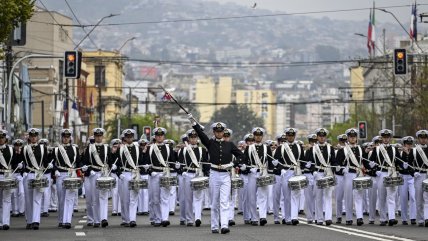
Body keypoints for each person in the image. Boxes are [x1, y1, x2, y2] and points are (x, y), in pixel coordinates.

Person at [188, 115, 243, 234]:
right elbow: (201, 135)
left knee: (224, 201)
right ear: (214, 132)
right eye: (217, 131)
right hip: (214, 174)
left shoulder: (230, 144)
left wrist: (234, 164)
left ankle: (224, 225)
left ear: (223, 132)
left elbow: (241, 155)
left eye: (221, 131)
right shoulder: (210, 143)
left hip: (225, 175)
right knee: (214, 202)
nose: (219, 133)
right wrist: (193, 123)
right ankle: (214, 225)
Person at [143, 127, 176, 227]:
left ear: (164, 136)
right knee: (155, 198)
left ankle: (165, 218)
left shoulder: (168, 148)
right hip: (155, 174)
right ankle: (157, 218)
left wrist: (176, 165)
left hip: (165, 174)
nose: (160, 137)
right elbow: (145, 162)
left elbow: (172, 161)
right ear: (155, 137)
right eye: (158, 135)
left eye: (161, 135)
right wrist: (149, 170)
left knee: (165, 197)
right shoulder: (150, 148)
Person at [368, 129, 400, 226]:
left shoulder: (394, 149)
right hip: (381, 173)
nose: (386, 139)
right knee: (382, 196)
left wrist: (398, 170)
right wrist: (374, 169)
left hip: (391, 173)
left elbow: (398, 162)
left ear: (390, 138)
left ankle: (391, 218)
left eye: (387, 137)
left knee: (391, 196)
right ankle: (382, 218)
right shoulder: (377, 149)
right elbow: (370, 163)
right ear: (382, 138)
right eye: (384, 137)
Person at [305, 128, 336, 226]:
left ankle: (328, 218)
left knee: (328, 196)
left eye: (323, 136)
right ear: (317, 137)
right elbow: (308, 162)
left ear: (325, 137)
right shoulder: (312, 148)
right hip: (317, 173)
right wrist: (313, 171)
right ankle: (319, 218)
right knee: (318, 196)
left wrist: (334, 171)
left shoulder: (330, 148)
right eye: (320, 136)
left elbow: (333, 161)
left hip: (328, 173)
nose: (322, 138)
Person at [273, 128, 304, 225]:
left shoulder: (299, 147)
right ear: (286, 136)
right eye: (289, 135)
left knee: (296, 194)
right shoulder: (281, 148)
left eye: (292, 135)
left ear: (294, 136)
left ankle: (294, 217)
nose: (290, 137)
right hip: (285, 172)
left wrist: (302, 169)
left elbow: (302, 160)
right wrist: (281, 168)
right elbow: (276, 161)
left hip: (296, 171)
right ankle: (287, 217)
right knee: (286, 196)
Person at [178, 129, 209, 227]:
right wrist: (181, 171)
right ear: (188, 138)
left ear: (197, 138)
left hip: (199, 174)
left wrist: (206, 174)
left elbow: (205, 165)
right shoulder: (183, 150)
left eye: (195, 137)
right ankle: (189, 219)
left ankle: (198, 218)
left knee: (199, 197)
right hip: (188, 174)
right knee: (188, 198)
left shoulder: (202, 150)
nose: (193, 139)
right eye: (191, 138)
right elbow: (180, 163)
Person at [82, 128, 111, 228]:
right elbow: (85, 162)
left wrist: (113, 167)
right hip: (93, 175)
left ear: (102, 137)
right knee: (94, 198)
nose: (98, 138)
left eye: (100, 136)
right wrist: (89, 170)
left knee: (103, 197)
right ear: (94, 137)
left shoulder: (107, 148)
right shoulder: (90, 148)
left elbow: (110, 161)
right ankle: (96, 219)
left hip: (103, 174)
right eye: (97, 136)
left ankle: (103, 219)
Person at [243, 127, 273, 226]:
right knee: (251, 196)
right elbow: (245, 161)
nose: (258, 137)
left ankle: (263, 216)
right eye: (256, 135)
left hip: (263, 172)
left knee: (263, 195)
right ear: (254, 136)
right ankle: (254, 217)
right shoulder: (249, 147)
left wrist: (272, 171)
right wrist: (247, 168)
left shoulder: (266, 147)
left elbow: (270, 161)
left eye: (260, 135)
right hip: (252, 173)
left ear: (262, 136)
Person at [335, 128, 365, 226]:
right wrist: (341, 168)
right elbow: (337, 163)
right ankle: (349, 218)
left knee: (359, 195)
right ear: (348, 138)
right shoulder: (343, 150)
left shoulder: (360, 149)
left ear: (356, 138)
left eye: (354, 137)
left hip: (358, 173)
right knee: (348, 197)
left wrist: (371, 166)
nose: (353, 139)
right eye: (351, 137)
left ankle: (359, 217)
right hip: (348, 174)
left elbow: (365, 161)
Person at [23, 128, 51, 230]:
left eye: (35, 136)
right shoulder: (25, 148)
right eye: (32, 136)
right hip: (29, 174)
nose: (34, 138)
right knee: (28, 199)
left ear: (37, 137)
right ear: (29, 137)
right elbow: (22, 162)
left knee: (37, 198)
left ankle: (36, 221)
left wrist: (50, 165)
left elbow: (45, 161)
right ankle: (29, 221)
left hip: (39, 174)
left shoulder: (43, 148)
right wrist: (23, 171)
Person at [53, 128, 81, 229]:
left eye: (67, 137)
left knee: (70, 198)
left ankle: (67, 220)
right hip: (60, 174)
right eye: (64, 137)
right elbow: (52, 163)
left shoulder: (74, 149)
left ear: (70, 138)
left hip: (71, 174)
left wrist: (82, 168)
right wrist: (55, 170)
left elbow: (78, 162)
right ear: (62, 138)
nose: (66, 139)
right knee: (61, 199)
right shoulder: (56, 149)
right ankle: (61, 220)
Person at [117, 129, 143, 228]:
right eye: (127, 137)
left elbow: (140, 161)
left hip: (135, 174)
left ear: (133, 137)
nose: (129, 138)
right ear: (124, 138)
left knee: (134, 197)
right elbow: (117, 163)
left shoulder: (138, 148)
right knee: (125, 199)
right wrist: (119, 174)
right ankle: (125, 219)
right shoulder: (121, 149)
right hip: (125, 173)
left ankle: (132, 219)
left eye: (131, 137)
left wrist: (144, 167)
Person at [0, 130, 20, 230]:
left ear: (6, 139)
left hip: (7, 175)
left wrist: (19, 165)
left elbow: (15, 163)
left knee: (6, 199)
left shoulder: (11, 150)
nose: (1, 139)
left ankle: (5, 222)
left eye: (2, 138)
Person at [398, 136, 416, 225]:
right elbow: (397, 164)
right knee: (404, 198)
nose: (409, 146)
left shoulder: (414, 152)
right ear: (404, 144)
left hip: (412, 177)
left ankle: (413, 217)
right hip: (403, 176)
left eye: (410, 144)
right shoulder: (400, 154)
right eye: (407, 144)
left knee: (413, 197)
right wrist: (402, 166)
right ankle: (404, 218)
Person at [413, 130, 428, 227]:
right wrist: (413, 172)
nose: (423, 140)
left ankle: (427, 218)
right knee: (419, 199)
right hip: (419, 175)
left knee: (427, 198)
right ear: (418, 139)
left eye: (425, 138)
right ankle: (421, 219)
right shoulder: (414, 150)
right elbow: (409, 163)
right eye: (421, 138)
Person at [11, 139, 25, 218]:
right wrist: (16, 165)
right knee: (14, 193)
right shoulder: (12, 153)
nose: (18, 147)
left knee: (22, 193)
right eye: (17, 145)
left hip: (20, 175)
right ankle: (15, 210)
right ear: (14, 146)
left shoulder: (23, 153)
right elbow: (10, 163)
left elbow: (26, 162)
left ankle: (21, 210)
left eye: (19, 145)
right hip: (13, 174)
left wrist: (23, 167)